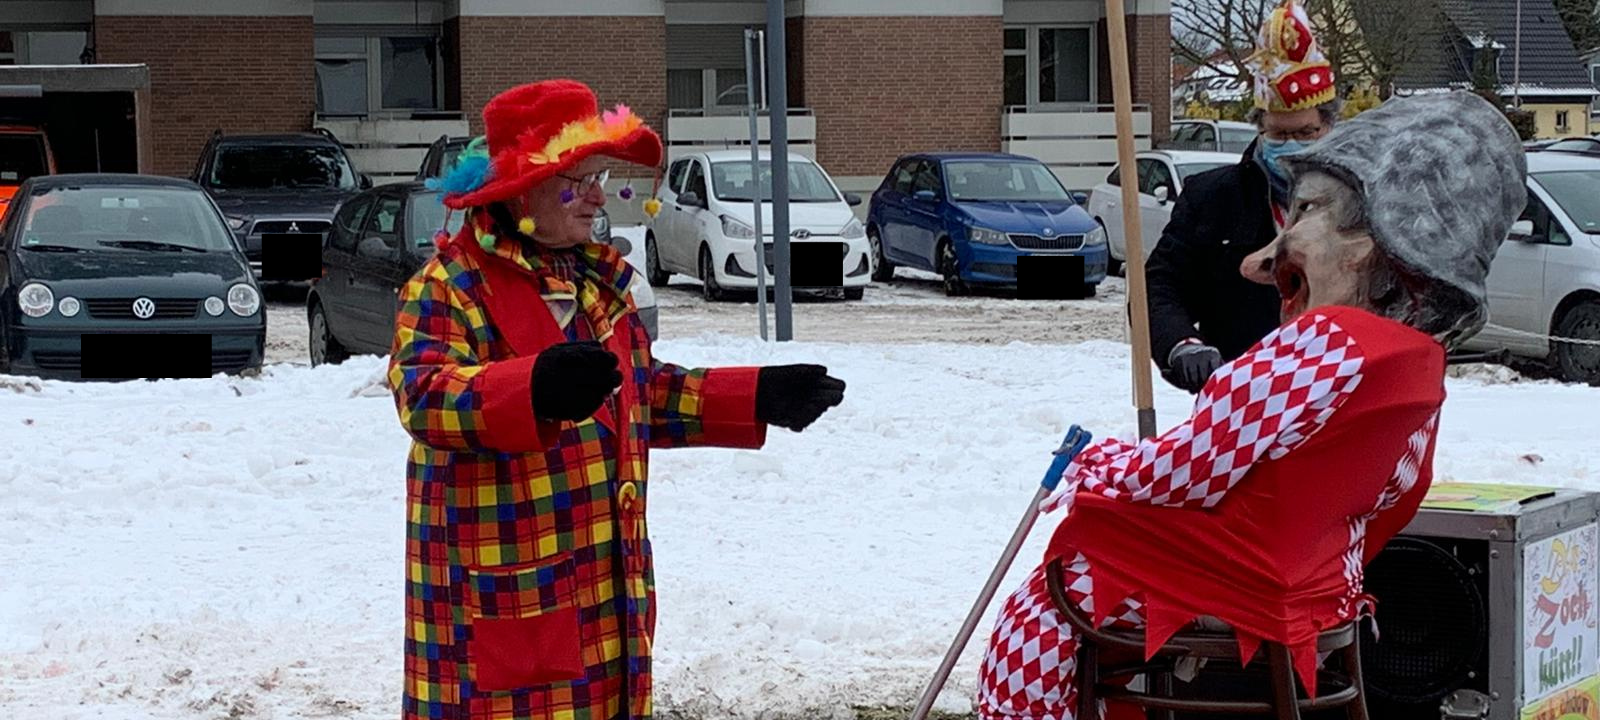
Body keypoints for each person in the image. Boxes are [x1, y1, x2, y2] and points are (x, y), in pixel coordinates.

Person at [975, 90, 1526, 720]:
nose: (1259, 263)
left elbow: (1186, 469)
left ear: (1368, 239)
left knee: (1036, 618)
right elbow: (1395, 495)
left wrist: (1100, 466)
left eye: (1306, 212)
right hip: (1318, 588)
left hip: (1232, 583)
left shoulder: (1324, 344)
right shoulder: (1418, 362)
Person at [387, 79, 847, 720]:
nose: (599, 196)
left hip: (603, 596)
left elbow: (637, 393)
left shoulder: (594, 281)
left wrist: (755, 395)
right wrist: (532, 389)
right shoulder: (450, 285)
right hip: (503, 603)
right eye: (578, 180)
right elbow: (424, 393)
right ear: (521, 190)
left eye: (600, 177)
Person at [1148, 0, 1341, 393]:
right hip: (1241, 395)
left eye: (1305, 133)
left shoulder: (1364, 202)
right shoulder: (1212, 199)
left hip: (1338, 393)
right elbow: (1162, 285)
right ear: (1259, 129)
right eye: (1278, 134)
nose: (1291, 145)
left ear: (1328, 127)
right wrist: (1182, 345)